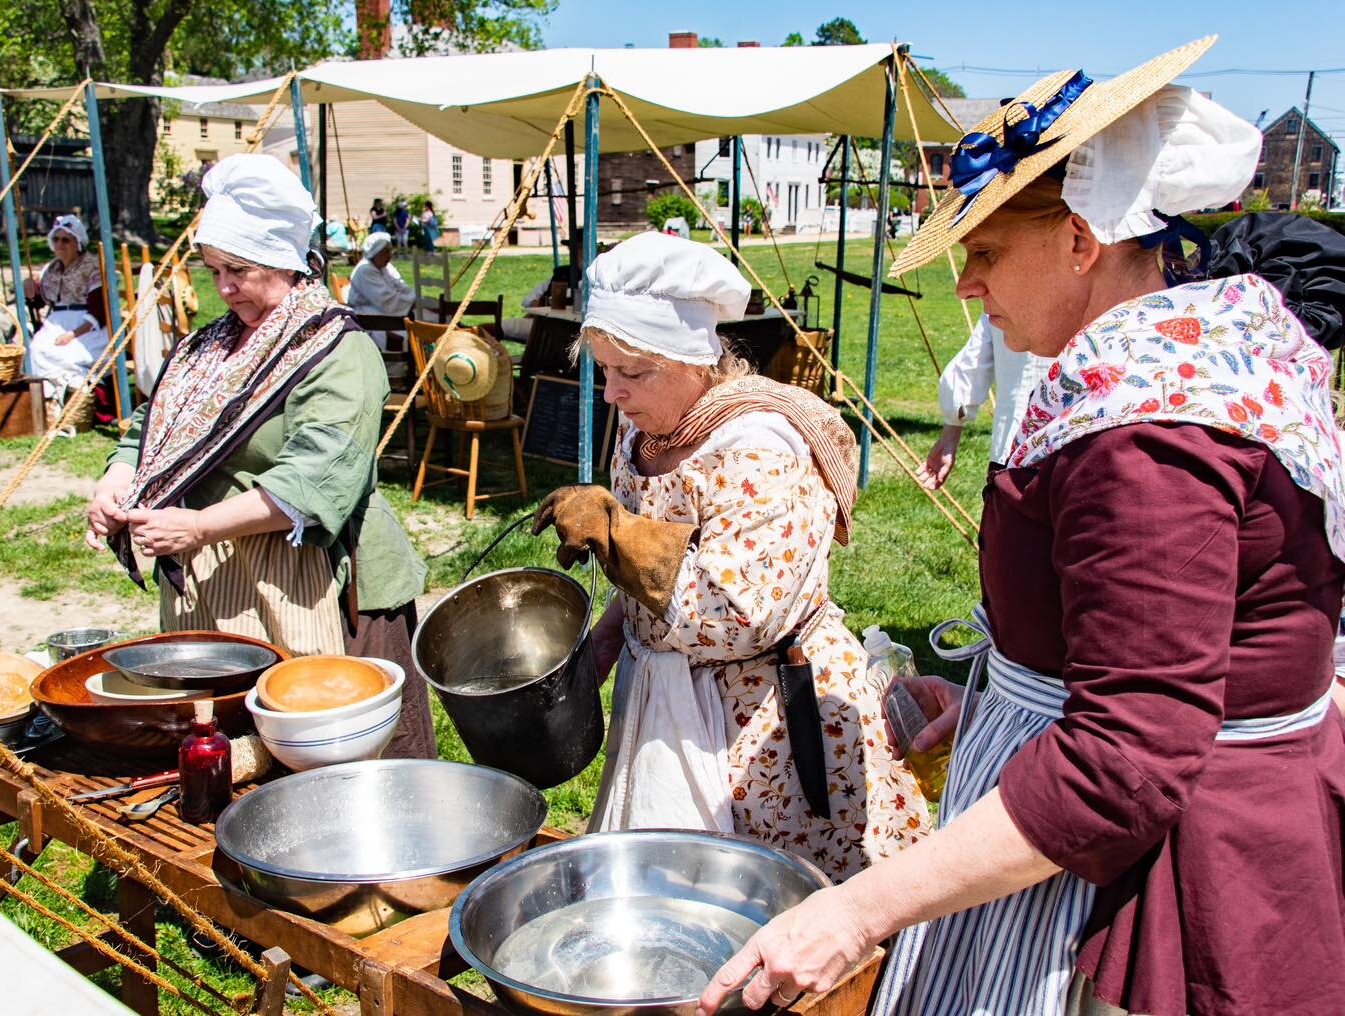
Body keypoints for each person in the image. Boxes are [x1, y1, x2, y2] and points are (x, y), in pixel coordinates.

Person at [698, 38, 1345, 1016]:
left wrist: (858, 909)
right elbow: (1171, 633)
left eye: (986, 249)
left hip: (1152, 887)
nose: (966, 283)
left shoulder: (1151, 430)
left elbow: (1128, 760)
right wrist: (1011, 697)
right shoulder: (1180, 359)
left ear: (1083, 238)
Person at [532, 231, 930, 880]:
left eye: (631, 373)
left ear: (691, 360)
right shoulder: (643, 431)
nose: (612, 394)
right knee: (666, 897)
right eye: (604, 370)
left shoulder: (760, 446)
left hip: (761, 720)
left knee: (766, 905)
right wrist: (603, 647)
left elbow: (739, 619)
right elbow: (640, 588)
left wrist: (622, 536)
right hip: (666, 700)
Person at [84, 154, 436, 760]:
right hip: (220, 579)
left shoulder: (335, 350)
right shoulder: (210, 346)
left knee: (348, 752)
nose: (222, 288)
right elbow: (152, 423)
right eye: (213, 270)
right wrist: (117, 480)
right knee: (238, 747)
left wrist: (196, 525)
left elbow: (316, 473)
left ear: (283, 262)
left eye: (238, 271)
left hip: (322, 582)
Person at [916, 313, 1050, 486]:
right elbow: (972, 366)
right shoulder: (1091, 292)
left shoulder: (1000, 295)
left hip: (1020, 450)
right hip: (1019, 452)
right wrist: (950, 432)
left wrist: (951, 432)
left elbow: (972, 366)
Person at [22, 215, 110, 390]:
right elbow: (42, 300)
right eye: (56, 239)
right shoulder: (52, 268)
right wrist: (31, 287)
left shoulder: (91, 266)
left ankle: (78, 394)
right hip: (57, 322)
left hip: (86, 325)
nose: (60, 245)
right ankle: (50, 397)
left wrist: (72, 334)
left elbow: (99, 311)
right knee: (36, 350)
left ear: (77, 242)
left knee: (69, 357)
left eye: (65, 240)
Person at [348, 232, 415, 321]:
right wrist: (412, 303)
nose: (390, 255)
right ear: (374, 252)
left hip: (381, 310)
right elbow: (386, 301)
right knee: (417, 318)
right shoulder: (365, 270)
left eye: (390, 251)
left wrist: (417, 298)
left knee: (424, 314)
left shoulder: (384, 266)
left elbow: (400, 285)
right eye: (385, 252)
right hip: (367, 317)